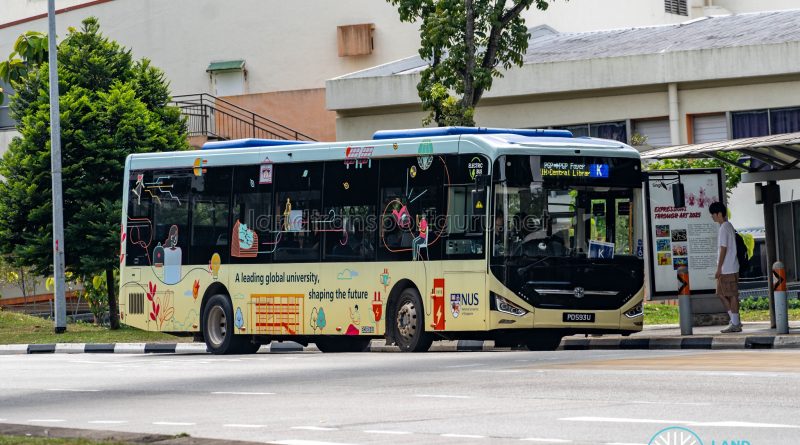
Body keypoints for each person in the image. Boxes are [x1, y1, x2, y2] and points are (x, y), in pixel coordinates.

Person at [709, 202, 741, 333]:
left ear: (719, 214)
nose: (712, 216)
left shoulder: (724, 228)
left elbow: (723, 249)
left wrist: (719, 268)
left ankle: (735, 323)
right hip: (730, 267)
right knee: (721, 294)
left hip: (728, 268)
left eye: (713, 214)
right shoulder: (728, 226)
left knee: (731, 295)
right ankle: (735, 320)